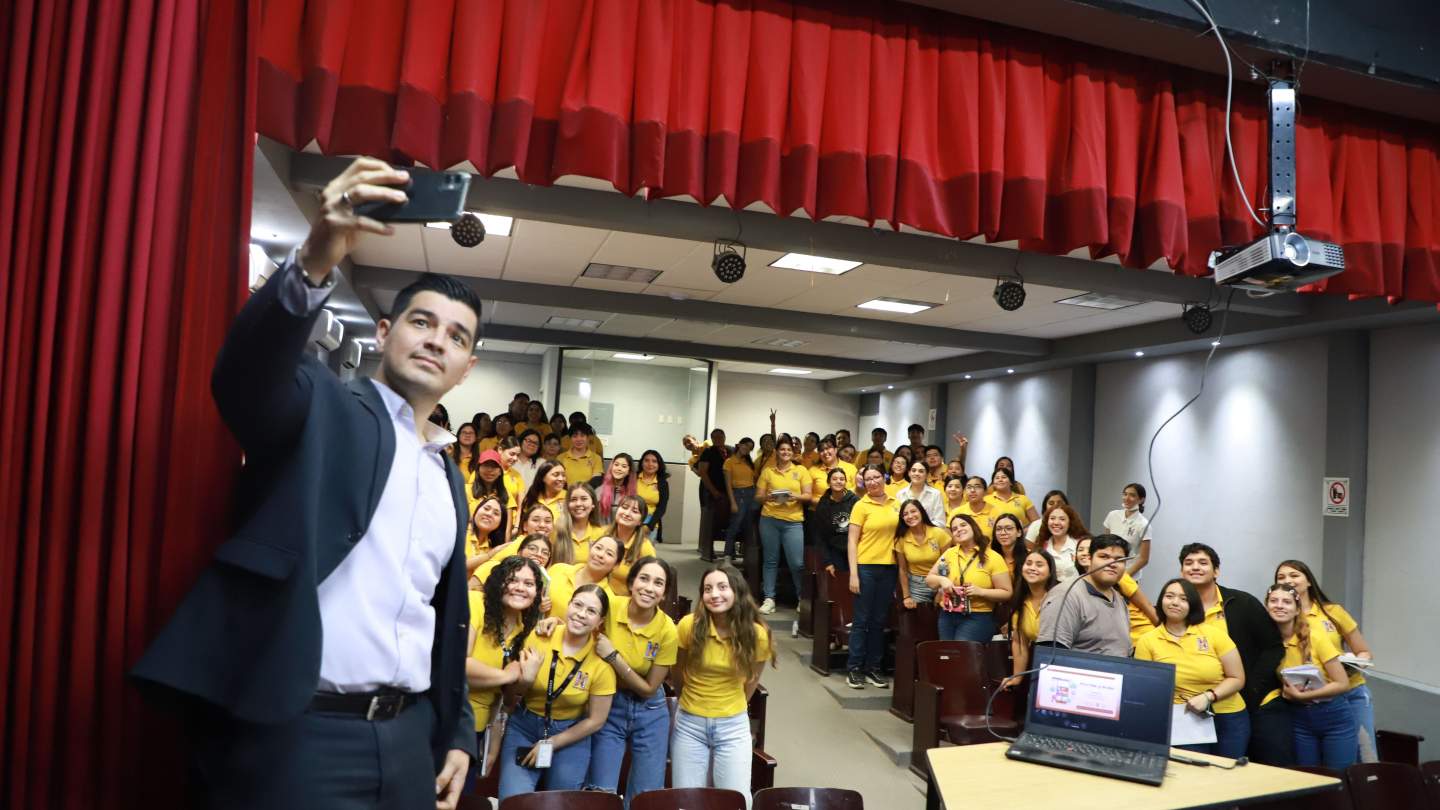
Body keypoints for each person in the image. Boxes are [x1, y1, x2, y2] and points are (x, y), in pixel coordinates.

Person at [133, 157, 477, 810]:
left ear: (468, 367)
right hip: (299, 735)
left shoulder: (449, 476)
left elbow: (440, 616)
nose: (437, 341)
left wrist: (456, 732)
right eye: (422, 322)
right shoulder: (324, 404)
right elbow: (246, 377)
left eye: (456, 337)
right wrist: (318, 255)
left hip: (409, 739)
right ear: (385, 332)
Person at [497, 585, 616, 798]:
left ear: (600, 621)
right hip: (525, 727)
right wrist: (526, 680)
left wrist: (552, 743)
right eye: (577, 605)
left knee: (561, 803)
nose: (581, 614)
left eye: (591, 611)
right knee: (514, 801)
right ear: (568, 605)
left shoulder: (602, 663)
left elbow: (596, 721)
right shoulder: (539, 636)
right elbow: (509, 697)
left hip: (570, 735)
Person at [671, 565, 774, 807]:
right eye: (708, 589)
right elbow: (677, 670)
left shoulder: (756, 634)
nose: (714, 594)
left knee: (736, 800)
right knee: (686, 801)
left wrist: (731, 705)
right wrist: (688, 699)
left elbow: (752, 679)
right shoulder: (689, 625)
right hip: (690, 724)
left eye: (722, 587)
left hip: (733, 725)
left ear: (737, 591)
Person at [1179, 543, 1288, 765]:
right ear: (1182, 572)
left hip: (1241, 703)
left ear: (1216, 571)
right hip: (1191, 707)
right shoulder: (1176, 607)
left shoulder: (1243, 603)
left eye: (1203, 562)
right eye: (1188, 563)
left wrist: (1253, 687)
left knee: (1238, 767)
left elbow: (1273, 646)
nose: (1195, 567)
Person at [585, 557, 679, 805]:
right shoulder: (610, 607)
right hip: (609, 704)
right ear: (631, 583)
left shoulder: (668, 630)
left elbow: (649, 689)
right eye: (644, 579)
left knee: (645, 795)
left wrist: (614, 658)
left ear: (664, 593)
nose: (649, 588)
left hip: (650, 710)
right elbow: (577, 619)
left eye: (658, 583)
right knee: (600, 791)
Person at [1134, 578, 1249, 759]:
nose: (1175, 602)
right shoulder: (1147, 641)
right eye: (1169, 596)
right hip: (1184, 718)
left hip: (1228, 716)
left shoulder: (1214, 634)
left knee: (1229, 771)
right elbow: (1146, 689)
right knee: (1194, 771)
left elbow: (1237, 678)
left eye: (1183, 599)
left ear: (1193, 605)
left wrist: (1208, 697)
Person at [1275, 559, 1376, 761]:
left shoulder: (1332, 612)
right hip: (1307, 700)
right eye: (1281, 577)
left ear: (1308, 581)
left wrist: (1349, 666)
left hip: (1350, 691)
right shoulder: (1280, 615)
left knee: (1364, 756)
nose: (1288, 580)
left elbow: (1364, 651)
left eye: (1294, 575)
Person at [464, 555, 545, 781]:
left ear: (537, 592)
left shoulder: (524, 632)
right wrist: (505, 676)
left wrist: (493, 746)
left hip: (476, 729)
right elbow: (458, 664)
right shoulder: (475, 603)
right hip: (443, 715)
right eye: (512, 580)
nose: (520, 588)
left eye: (529, 584)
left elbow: (505, 702)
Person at [1263, 583, 1356, 771]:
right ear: (1266, 606)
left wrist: (1302, 696)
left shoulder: (1316, 637)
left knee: (1338, 777)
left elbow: (1342, 683)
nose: (1279, 605)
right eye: (1274, 601)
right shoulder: (1267, 642)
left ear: (1297, 609)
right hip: (1299, 719)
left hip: (1333, 716)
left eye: (1286, 602)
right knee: (1307, 777)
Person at [845, 465, 900, 689]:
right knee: (861, 621)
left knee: (879, 621)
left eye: (876, 477)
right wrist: (853, 574)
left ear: (884, 478)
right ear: (863, 482)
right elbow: (852, 541)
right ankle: (854, 668)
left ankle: (873, 668)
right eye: (868, 479)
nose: (873, 482)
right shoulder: (861, 505)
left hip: (890, 568)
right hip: (866, 567)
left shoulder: (896, 503)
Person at [1036, 534, 1132, 656]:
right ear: (1089, 559)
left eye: (1119, 560)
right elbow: (1050, 655)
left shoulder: (1119, 599)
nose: (1112, 563)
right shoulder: (1066, 595)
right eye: (1104, 556)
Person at [925, 514, 1013, 641]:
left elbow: (1007, 593)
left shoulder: (992, 557)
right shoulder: (950, 553)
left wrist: (981, 591)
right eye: (954, 529)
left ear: (973, 527)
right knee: (947, 651)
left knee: (962, 651)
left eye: (963, 525)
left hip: (978, 615)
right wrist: (942, 580)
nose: (959, 530)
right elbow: (929, 580)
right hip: (948, 613)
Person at [754, 437, 811, 614]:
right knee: (770, 560)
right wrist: (768, 497)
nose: (785, 452)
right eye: (782, 449)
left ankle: (802, 598)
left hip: (793, 521)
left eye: (789, 450)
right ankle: (769, 598)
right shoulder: (768, 471)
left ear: (793, 453)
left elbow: (808, 495)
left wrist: (795, 496)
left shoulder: (801, 470)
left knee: (797, 563)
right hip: (769, 519)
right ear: (777, 452)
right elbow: (758, 497)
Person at [1002, 549, 1057, 690]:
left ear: (1050, 571)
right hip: (1041, 663)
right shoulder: (1020, 600)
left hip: (1063, 664)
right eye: (1028, 563)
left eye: (1039, 565)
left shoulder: (1059, 597)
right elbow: (1020, 642)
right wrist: (1017, 677)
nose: (1032, 568)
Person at [547, 535, 621, 620]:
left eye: (609, 554)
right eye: (598, 548)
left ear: (616, 565)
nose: (600, 555)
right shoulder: (558, 569)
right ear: (590, 549)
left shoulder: (609, 599)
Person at [894, 500, 951, 608]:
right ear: (902, 518)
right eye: (905, 514)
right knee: (920, 615)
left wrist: (941, 591)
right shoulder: (901, 539)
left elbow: (949, 564)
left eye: (913, 511)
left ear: (921, 512)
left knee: (942, 612)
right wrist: (906, 596)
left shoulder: (938, 533)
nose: (910, 516)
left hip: (940, 580)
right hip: (917, 585)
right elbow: (902, 569)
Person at [606, 495, 657, 596]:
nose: (627, 513)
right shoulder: (603, 534)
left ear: (640, 521)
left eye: (634, 511)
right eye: (624, 507)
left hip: (625, 600)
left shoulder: (645, 547)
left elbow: (650, 582)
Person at [812, 467, 858, 575]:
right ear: (828, 482)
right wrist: (828, 562)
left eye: (842, 479)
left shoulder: (855, 501)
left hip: (856, 549)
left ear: (846, 482)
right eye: (835, 479)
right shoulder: (823, 504)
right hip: (834, 551)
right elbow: (820, 535)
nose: (838, 481)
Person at [1103, 483, 1153, 577]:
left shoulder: (1144, 524)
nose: (1127, 498)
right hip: (1109, 572)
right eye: (1125, 494)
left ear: (1141, 500)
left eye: (1132, 495)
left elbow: (1144, 559)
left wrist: (1124, 577)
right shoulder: (1112, 515)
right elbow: (1105, 544)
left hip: (1129, 575)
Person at [722, 438, 759, 562]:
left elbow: (755, 479)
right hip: (739, 494)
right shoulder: (729, 462)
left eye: (750, 448)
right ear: (739, 445)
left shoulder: (748, 462)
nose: (747, 449)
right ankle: (727, 555)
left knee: (749, 526)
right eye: (746, 445)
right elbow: (728, 485)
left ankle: (747, 558)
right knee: (735, 525)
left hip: (752, 494)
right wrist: (733, 502)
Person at [696, 429, 731, 559]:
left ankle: (729, 552)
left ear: (724, 437)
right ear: (711, 439)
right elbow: (702, 473)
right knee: (711, 522)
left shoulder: (731, 451)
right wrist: (714, 491)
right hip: (712, 492)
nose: (718, 439)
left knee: (727, 521)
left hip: (728, 493)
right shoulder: (708, 452)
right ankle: (708, 552)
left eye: (720, 437)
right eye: (715, 437)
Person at [1033, 504, 1086, 582]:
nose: (1056, 522)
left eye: (1062, 519)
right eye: (1052, 518)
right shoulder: (1041, 545)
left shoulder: (1080, 544)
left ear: (1070, 522)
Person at [555, 483, 603, 565]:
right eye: (573, 499)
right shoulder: (556, 530)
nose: (578, 504)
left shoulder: (601, 534)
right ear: (567, 505)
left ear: (593, 504)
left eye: (584, 499)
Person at [466, 495, 508, 587]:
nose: (489, 514)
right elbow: (457, 564)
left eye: (496, 513)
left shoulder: (493, 547)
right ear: (476, 511)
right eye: (486, 508)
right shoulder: (461, 533)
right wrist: (489, 555)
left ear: (500, 523)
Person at [521, 460, 569, 537]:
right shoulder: (532, 498)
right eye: (556, 475)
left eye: (563, 475)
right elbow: (524, 529)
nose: (561, 479)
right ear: (543, 478)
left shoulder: (569, 499)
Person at [893, 459, 946, 525]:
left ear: (927, 475)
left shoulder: (935, 494)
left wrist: (921, 528)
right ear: (909, 473)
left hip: (929, 531)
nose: (917, 473)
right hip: (907, 531)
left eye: (921, 471)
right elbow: (898, 519)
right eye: (913, 470)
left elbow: (940, 522)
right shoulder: (900, 494)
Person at [952, 475, 1002, 542]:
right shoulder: (956, 513)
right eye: (969, 487)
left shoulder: (997, 512)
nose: (972, 490)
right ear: (964, 491)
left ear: (985, 491)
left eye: (977, 487)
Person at [591, 453, 637, 525]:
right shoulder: (597, 483)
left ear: (629, 471)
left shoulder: (630, 492)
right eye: (616, 465)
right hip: (598, 528)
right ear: (611, 466)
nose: (619, 469)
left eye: (624, 466)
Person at [635, 450, 670, 542]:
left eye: (654, 461)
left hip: (651, 522)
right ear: (641, 463)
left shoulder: (662, 483)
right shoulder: (633, 478)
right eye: (646, 460)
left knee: (646, 550)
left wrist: (649, 526)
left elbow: (662, 507)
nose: (650, 464)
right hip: (631, 519)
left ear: (659, 464)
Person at [991, 513, 1026, 578]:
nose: (1003, 533)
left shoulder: (1029, 557)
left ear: (1019, 532)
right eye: (998, 529)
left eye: (1009, 528)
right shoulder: (990, 557)